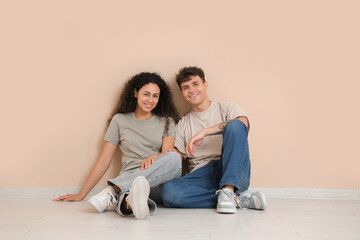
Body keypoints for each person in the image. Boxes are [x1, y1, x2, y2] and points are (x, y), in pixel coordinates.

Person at [53, 72, 182, 220]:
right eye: (146, 94)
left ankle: (113, 190)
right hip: (130, 176)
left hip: (157, 180)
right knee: (128, 197)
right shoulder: (119, 120)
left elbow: (167, 154)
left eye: (155, 96)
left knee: (174, 157)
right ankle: (135, 204)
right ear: (135, 93)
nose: (150, 100)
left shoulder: (167, 121)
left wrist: (155, 156)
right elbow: (104, 160)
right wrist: (81, 194)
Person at [161, 66, 267, 214]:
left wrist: (205, 132)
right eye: (186, 87)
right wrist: (160, 157)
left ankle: (229, 189)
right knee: (168, 192)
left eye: (195, 84)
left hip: (233, 170)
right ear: (182, 93)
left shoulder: (226, 108)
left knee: (235, 125)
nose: (191, 90)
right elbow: (176, 156)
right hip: (202, 176)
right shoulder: (183, 124)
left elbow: (243, 124)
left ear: (205, 85)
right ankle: (237, 200)